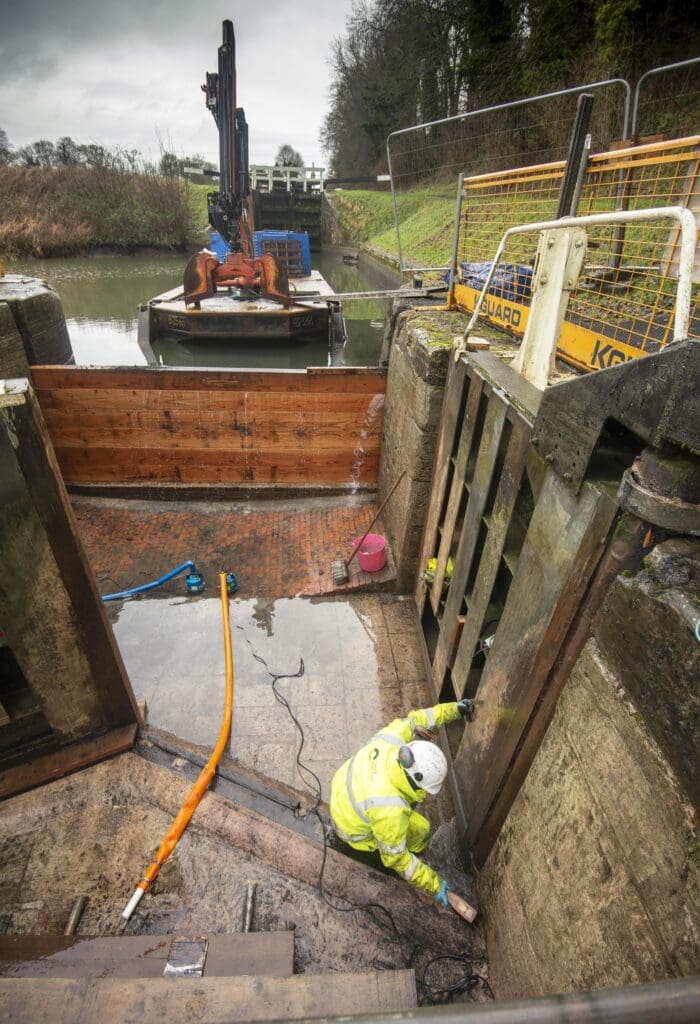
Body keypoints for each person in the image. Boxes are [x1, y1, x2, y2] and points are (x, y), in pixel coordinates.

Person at [329, 699, 474, 906]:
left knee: (406, 823)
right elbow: (395, 859)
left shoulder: (393, 739)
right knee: (421, 831)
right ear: (418, 782)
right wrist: (436, 886)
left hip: (344, 789)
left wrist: (454, 709)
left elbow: (420, 718)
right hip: (350, 829)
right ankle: (402, 851)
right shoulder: (390, 811)